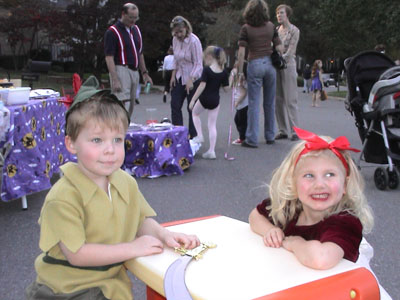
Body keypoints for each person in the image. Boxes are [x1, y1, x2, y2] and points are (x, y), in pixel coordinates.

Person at [25, 76, 200, 300]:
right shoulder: (64, 196)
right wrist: (133, 248)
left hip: (109, 284)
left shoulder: (124, 182)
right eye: (97, 140)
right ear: (71, 144)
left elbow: (139, 220)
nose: (110, 150)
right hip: (67, 289)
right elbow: (77, 254)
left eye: (117, 140)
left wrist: (165, 235)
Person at [248, 127, 392, 299]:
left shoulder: (346, 221)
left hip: (342, 292)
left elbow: (321, 259)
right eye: (309, 176)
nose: (319, 184)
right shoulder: (291, 207)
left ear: (345, 184)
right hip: (297, 286)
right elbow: (255, 216)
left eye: (330, 175)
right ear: (294, 183)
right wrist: (270, 230)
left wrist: (295, 243)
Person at [237, 0, 283, 148]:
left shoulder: (246, 29)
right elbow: (280, 47)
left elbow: (242, 51)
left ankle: (252, 138)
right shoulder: (271, 26)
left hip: (254, 63)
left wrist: (239, 71)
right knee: (269, 103)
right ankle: (270, 135)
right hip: (270, 65)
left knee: (253, 103)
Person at [104, 3, 153, 118]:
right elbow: (109, 57)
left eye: (136, 18)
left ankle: (126, 128)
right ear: (123, 14)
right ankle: (118, 129)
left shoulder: (136, 30)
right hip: (121, 68)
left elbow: (140, 53)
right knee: (122, 102)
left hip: (134, 70)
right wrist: (115, 78)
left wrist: (144, 73)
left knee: (131, 104)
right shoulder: (112, 32)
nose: (133, 21)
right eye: (131, 17)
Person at [189, 46, 229, 159]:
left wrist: (193, 99)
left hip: (204, 98)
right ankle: (212, 151)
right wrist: (231, 80)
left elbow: (202, 85)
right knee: (212, 125)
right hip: (215, 100)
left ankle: (200, 135)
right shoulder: (223, 72)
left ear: (209, 56)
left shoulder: (207, 70)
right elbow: (226, 89)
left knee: (195, 114)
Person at [170, 16, 203, 138]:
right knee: (175, 105)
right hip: (179, 77)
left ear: (186, 28)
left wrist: (191, 79)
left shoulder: (194, 41)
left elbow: (198, 64)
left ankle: (193, 137)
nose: (178, 34)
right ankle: (178, 135)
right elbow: (176, 59)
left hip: (192, 77)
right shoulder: (175, 40)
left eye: (180, 31)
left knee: (191, 108)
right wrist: (173, 75)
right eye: (176, 32)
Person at [275, 4, 300, 141]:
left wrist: (281, 58)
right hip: (276, 67)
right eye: (278, 13)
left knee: (290, 99)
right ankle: (282, 129)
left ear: (287, 14)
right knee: (277, 99)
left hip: (288, 65)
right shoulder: (276, 31)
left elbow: (291, 50)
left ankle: (295, 130)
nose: (279, 15)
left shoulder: (294, 30)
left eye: (282, 13)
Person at [229, 61, 249, 146]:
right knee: (238, 120)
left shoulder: (243, 80)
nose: (234, 69)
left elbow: (244, 92)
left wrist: (238, 101)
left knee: (241, 121)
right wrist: (232, 75)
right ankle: (243, 136)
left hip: (243, 104)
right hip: (239, 105)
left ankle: (242, 138)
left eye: (236, 68)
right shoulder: (236, 78)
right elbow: (230, 85)